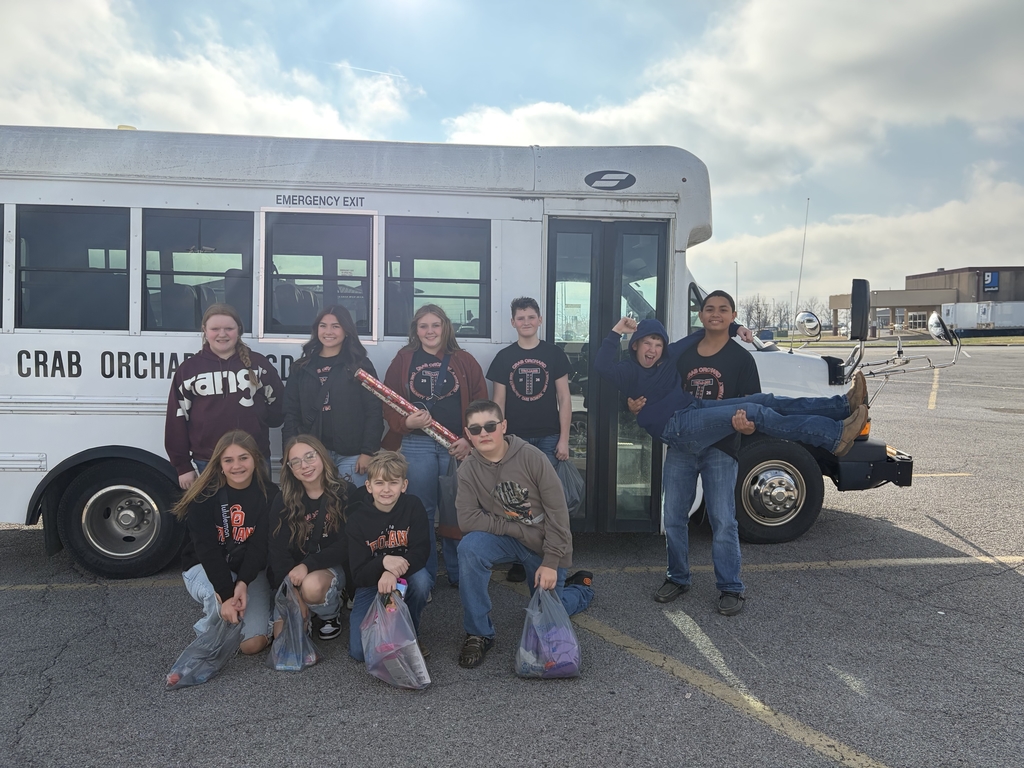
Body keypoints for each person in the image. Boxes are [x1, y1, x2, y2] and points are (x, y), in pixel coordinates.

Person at [630, 291, 761, 614]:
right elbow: (654, 385)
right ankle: (677, 576)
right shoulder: (684, 354)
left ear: (732, 316)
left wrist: (748, 427)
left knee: (722, 520)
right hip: (681, 447)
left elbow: (754, 407)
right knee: (673, 517)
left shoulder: (742, 359)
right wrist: (635, 403)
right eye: (709, 309)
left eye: (723, 310)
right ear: (700, 316)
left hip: (720, 449)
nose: (715, 314)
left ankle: (731, 587)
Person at [454, 400, 595, 669]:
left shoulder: (532, 457)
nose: (483, 433)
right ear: (468, 433)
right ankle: (479, 632)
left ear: (503, 426)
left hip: (545, 542)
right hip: (510, 538)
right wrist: (515, 529)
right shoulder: (468, 469)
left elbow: (558, 513)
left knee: (552, 611)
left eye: (490, 426)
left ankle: (581, 590)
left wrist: (552, 561)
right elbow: (467, 519)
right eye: (476, 428)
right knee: (469, 548)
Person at [382, 304, 488, 588]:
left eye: (435, 325)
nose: (430, 331)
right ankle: (425, 577)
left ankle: (459, 575)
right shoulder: (403, 359)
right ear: (416, 330)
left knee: (458, 511)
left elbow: (480, 402)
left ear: (445, 327)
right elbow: (388, 402)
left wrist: (471, 439)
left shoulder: (464, 360)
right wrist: (406, 425)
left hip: (457, 447)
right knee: (422, 513)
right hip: (416, 445)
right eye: (423, 326)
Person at [487, 297, 573, 584]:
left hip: (548, 437)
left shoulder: (554, 354)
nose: (526, 322)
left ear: (539, 320)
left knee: (547, 500)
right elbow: (498, 401)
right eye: (520, 317)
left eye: (531, 317)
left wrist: (564, 439)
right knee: (515, 500)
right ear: (513, 322)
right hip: (515, 440)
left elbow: (564, 398)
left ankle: (549, 556)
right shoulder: (504, 358)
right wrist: (497, 441)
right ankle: (519, 559)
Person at [174, 429, 277, 655]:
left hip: (249, 569)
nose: (236, 466)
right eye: (228, 460)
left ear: (255, 459)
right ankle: (208, 635)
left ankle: (262, 620)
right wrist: (227, 593)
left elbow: (260, 548)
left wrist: (242, 583)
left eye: (243, 458)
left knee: (251, 646)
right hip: (204, 566)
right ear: (219, 464)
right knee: (217, 598)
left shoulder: (269, 494)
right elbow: (207, 550)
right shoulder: (204, 496)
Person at [165, 303, 284, 491]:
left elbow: (277, 407)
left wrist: (256, 421)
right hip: (208, 461)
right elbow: (177, 419)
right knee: (214, 517)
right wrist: (183, 466)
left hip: (255, 458)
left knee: (260, 514)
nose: (222, 334)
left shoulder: (260, 364)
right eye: (215, 329)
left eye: (229, 328)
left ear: (239, 330)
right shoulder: (189, 369)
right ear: (205, 330)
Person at [268, 435, 357, 642]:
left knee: (312, 586)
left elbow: (347, 545)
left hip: (329, 568)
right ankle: (306, 607)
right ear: (290, 468)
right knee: (284, 640)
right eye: (296, 462)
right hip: (293, 573)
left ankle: (329, 614)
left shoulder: (345, 493)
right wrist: (292, 593)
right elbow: (276, 549)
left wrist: (308, 565)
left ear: (322, 456)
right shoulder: (283, 500)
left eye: (309, 457)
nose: (304, 465)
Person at [283, 305, 383, 487]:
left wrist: (368, 452)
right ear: (316, 330)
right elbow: (291, 413)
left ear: (346, 331)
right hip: (312, 455)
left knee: (350, 508)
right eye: (323, 325)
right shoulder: (301, 367)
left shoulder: (360, 366)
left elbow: (374, 411)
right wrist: (291, 453)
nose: (328, 331)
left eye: (336, 326)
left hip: (352, 455)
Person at [346, 451, 432, 661]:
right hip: (369, 583)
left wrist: (392, 573)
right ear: (368, 486)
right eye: (379, 483)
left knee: (422, 581)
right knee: (359, 652)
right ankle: (384, 635)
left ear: (404, 485)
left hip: (405, 578)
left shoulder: (413, 506)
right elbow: (357, 574)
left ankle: (409, 633)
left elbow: (421, 551)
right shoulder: (356, 518)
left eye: (393, 483)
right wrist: (383, 563)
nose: (386, 490)